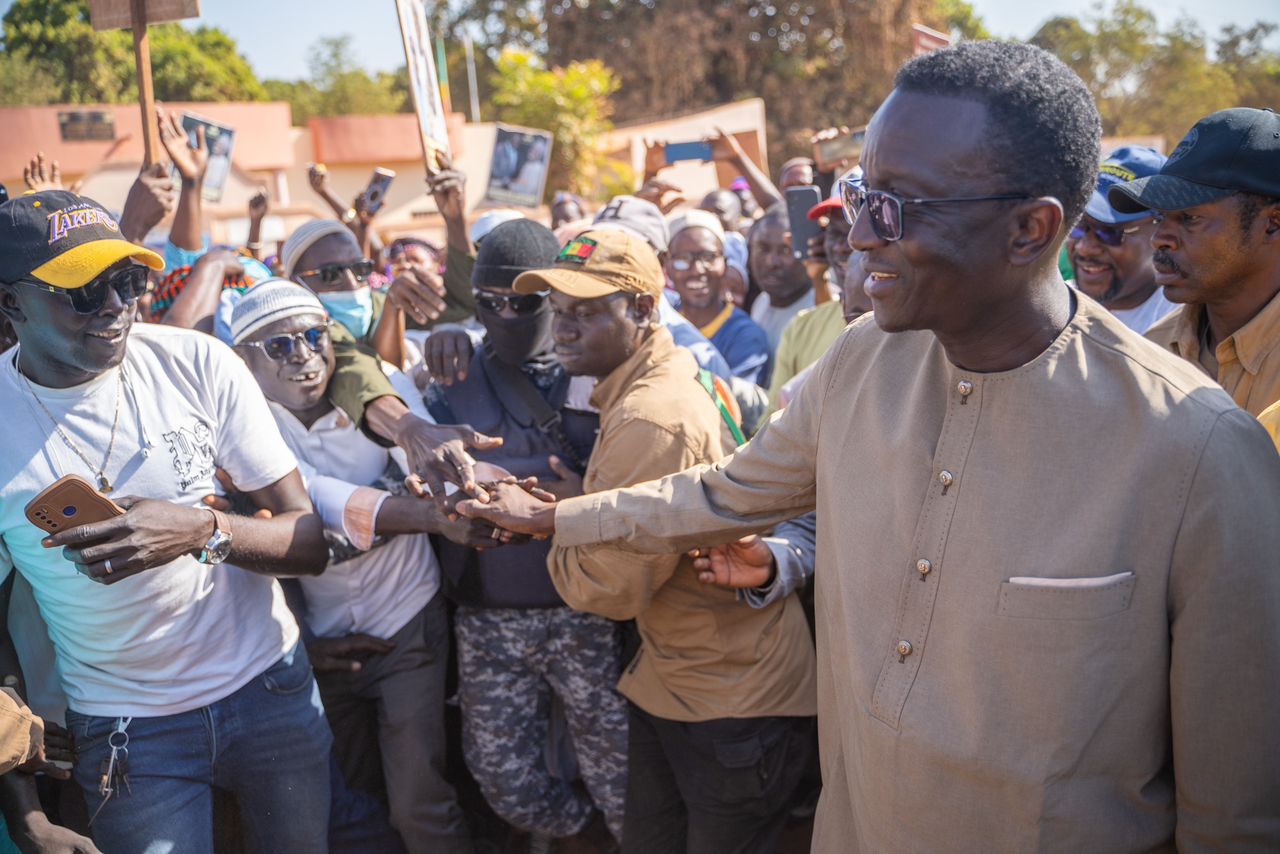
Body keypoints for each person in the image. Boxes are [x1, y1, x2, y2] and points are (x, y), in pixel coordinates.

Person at [459, 41, 1280, 851]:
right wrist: (558, 517)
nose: (857, 238)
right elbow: (722, 493)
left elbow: (1233, 815)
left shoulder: (1199, 452)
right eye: (861, 198)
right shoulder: (858, 360)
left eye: (895, 207)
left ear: (1030, 229)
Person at [0, 190, 335, 852]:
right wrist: (25, 811)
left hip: (271, 690)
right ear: (10, 302)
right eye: (83, 291)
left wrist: (201, 531)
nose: (115, 305)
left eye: (128, 281)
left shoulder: (195, 362)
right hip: (125, 730)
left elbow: (309, 542)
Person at [492, 228, 817, 854]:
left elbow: (606, 590)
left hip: (729, 697)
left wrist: (547, 523)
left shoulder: (651, 415)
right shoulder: (653, 380)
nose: (563, 329)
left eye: (585, 312)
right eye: (558, 311)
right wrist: (583, 502)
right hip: (690, 681)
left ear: (643, 308)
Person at [229, 280, 477, 854]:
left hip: (406, 623)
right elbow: (314, 504)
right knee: (353, 806)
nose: (304, 356)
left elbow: (430, 478)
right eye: (280, 345)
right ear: (244, 360)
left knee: (419, 805)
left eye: (315, 336)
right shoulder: (244, 428)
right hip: (319, 642)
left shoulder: (384, 394)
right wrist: (422, 517)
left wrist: (437, 506)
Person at [424, 220, 626, 847]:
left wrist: (584, 492)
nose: (507, 316)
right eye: (490, 303)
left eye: (525, 303)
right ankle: (584, 837)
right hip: (491, 619)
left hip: (584, 612)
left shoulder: (599, 365)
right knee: (505, 782)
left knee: (622, 780)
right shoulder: (451, 373)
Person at [1109, 107, 1280, 417]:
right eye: (1160, 216)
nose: (1159, 238)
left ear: (1272, 224)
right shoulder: (1152, 351)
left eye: (1189, 218)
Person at [1066, 146, 1173, 332]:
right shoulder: (1045, 312)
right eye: (1078, 226)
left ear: (1162, 233)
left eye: (1109, 232)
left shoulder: (1185, 328)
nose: (1085, 247)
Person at [665, 211, 772, 386]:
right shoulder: (663, 320)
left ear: (725, 264)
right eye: (683, 259)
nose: (697, 270)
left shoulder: (745, 336)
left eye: (708, 257)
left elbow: (734, 400)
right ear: (667, 266)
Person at [748, 203, 815, 350]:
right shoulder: (761, 302)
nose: (772, 262)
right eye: (763, 249)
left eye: (786, 250)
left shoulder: (822, 310)